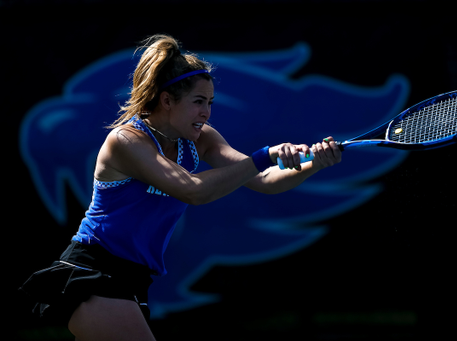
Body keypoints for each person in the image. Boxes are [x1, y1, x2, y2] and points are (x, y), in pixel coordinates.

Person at [20, 34, 342, 341]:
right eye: (199, 101)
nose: (207, 112)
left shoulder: (199, 140)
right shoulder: (126, 142)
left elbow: (265, 182)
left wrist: (314, 163)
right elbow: (192, 190)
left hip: (133, 281)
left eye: (210, 102)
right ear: (167, 100)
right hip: (93, 274)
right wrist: (264, 156)